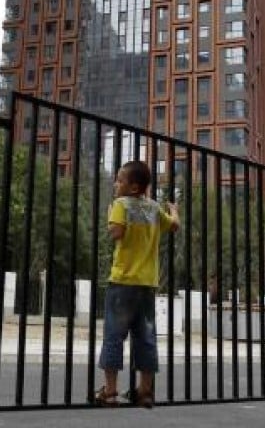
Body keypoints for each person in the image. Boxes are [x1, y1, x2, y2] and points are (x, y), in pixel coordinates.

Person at [95, 160, 180, 409]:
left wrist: (110, 213)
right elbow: (174, 226)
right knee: (145, 337)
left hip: (122, 282)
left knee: (114, 336)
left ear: (133, 187)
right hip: (147, 285)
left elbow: (115, 233)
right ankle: (144, 391)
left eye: (120, 180)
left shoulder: (121, 204)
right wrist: (174, 210)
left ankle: (110, 392)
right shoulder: (154, 208)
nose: (116, 183)